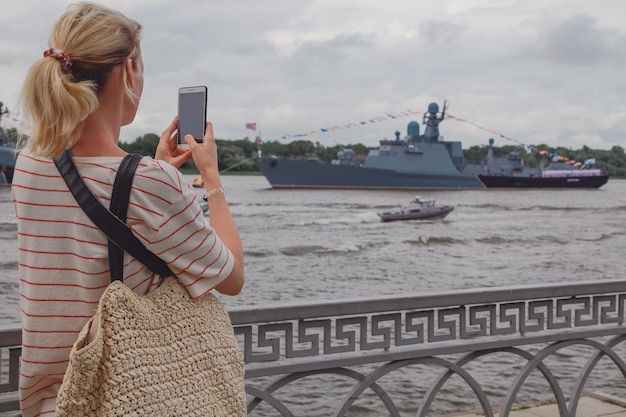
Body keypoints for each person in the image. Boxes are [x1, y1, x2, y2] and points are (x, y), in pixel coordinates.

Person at [11, 3, 245, 416]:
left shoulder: (28, 167)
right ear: (126, 73)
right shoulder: (151, 183)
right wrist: (211, 178)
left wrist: (153, 172)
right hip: (127, 398)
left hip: (50, 404)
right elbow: (231, 277)